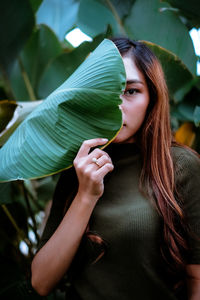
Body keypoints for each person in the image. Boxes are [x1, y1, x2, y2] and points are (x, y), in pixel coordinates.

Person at [31, 38, 200, 300]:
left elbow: (196, 278)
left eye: (131, 91)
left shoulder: (180, 165)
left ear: (152, 98)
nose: (117, 103)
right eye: (106, 90)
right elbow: (41, 282)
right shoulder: (79, 164)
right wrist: (86, 195)